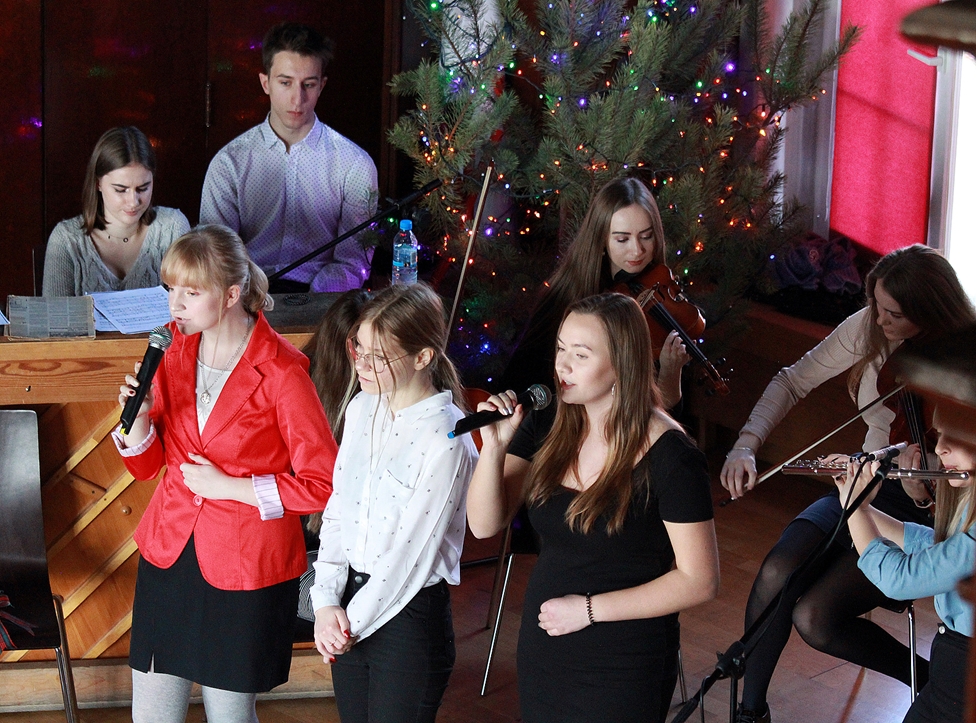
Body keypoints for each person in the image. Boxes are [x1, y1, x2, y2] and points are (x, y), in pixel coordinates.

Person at [720, 245, 976, 723]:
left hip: (937, 507)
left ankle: (929, 682)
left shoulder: (966, 354)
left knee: (815, 617)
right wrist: (746, 444)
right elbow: (792, 380)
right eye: (876, 305)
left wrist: (932, 485)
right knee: (779, 568)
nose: (878, 320)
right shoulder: (870, 327)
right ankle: (750, 712)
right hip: (870, 478)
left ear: (930, 310)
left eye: (893, 314)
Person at [114, 225, 337, 723]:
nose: (175, 305)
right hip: (169, 553)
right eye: (170, 289)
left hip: (246, 567)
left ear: (232, 295)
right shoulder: (169, 349)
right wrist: (140, 422)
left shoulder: (283, 372)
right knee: (151, 716)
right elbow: (147, 468)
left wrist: (232, 487)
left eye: (191, 293)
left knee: (229, 716)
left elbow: (324, 485)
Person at [468, 292, 720, 723]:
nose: (562, 367)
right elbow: (483, 524)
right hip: (546, 642)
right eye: (561, 349)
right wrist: (493, 450)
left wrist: (587, 611)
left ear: (622, 363)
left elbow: (700, 581)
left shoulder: (673, 458)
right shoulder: (547, 420)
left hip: (622, 659)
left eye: (580, 355)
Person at [309, 283, 478, 723]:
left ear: (422, 358)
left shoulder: (446, 438)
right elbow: (338, 508)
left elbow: (410, 556)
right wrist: (324, 601)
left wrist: (349, 623)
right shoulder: (362, 407)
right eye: (359, 349)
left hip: (408, 618)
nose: (362, 365)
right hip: (349, 606)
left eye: (378, 357)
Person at [200, 22, 377, 294]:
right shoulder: (229, 163)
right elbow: (216, 255)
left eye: (309, 85)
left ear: (322, 86)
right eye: (285, 83)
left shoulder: (355, 164)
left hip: (324, 300)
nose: (297, 99)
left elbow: (353, 262)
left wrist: (312, 302)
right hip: (247, 297)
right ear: (265, 83)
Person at [501, 176, 690, 409]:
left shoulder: (663, 293)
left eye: (646, 236)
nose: (637, 250)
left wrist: (671, 374)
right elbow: (523, 381)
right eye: (622, 239)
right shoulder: (563, 298)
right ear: (601, 239)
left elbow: (667, 420)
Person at [838, 414, 975, 723]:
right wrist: (858, 502)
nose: (939, 448)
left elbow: (899, 580)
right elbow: (940, 549)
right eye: (940, 434)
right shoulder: (970, 500)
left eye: (955, 435)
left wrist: (856, 510)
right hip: (951, 672)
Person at [43, 126, 190, 297]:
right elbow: (54, 312)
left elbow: (191, 305)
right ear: (98, 183)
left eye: (143, 188)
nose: (133, 202)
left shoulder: (172, 227)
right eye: (121, 190)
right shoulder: (66, 240)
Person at [296, 289, 370, 624]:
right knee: (350, 610)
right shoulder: (299, 385)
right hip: (307, 557)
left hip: (365, 557)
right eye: (362, 349)